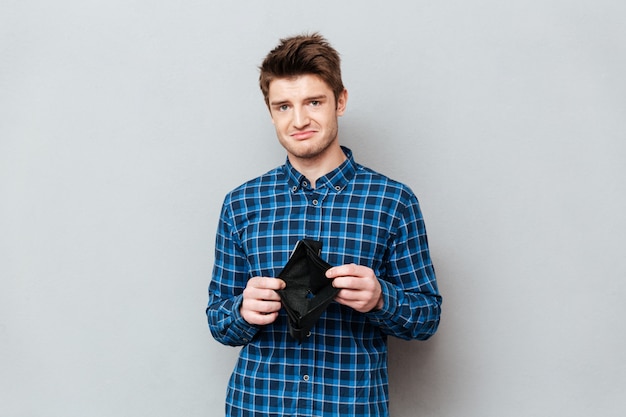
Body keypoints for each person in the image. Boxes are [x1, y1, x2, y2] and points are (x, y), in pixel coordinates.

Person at [206, 33, 442, 417]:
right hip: (257, 406)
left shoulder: (393, 202)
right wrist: (241, 311)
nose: (299, 120)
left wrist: (381, 297)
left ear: (341, 101)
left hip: (350, 407)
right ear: (270, 112)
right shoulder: (241, 203)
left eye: (313, 102)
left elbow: (426, 316)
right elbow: (219, 321)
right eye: (283, 106)